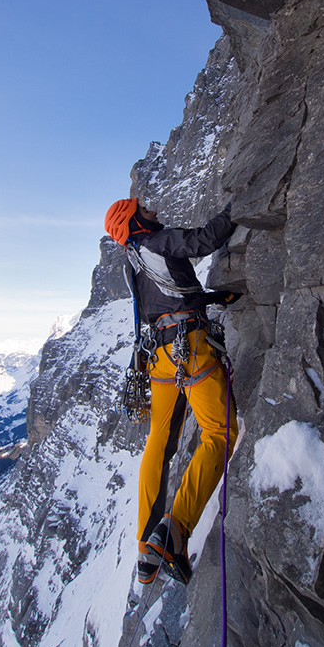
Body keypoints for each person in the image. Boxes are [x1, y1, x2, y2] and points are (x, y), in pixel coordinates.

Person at [104, 198, 239, 585]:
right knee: (220, 434)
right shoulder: (158, 242)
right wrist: (239, 203)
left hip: (160, 356)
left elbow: (168, 299)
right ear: (133, 221)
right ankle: (175, 530)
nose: (154, 211)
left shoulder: (133, 264)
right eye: (144, 209)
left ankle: (147, 543)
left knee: (159, 442)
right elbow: (202, 241)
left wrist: (212, 298)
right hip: (191, 348)